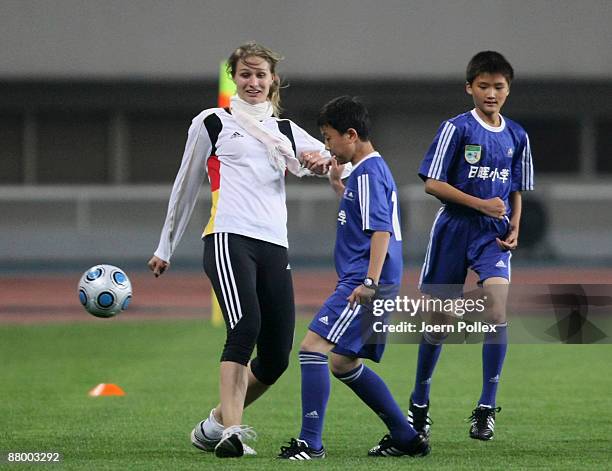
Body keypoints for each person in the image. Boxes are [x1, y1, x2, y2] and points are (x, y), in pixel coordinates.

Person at [147, 41, 333, 458]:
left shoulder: (284, 130)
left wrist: (328, 165)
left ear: (273, 80)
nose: (253, 82)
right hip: (228, 236)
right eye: (245, 74)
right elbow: (185, 185)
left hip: (273, 244)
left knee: (276, 357)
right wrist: (166, 247)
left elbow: (327, 157)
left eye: (260, 75)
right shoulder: (212, 122)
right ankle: (233, 432)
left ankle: (214, 423)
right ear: (234, 77)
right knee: (244, 326)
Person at [277, 96, 430, 460]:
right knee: (343, 362)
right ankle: (406, 437)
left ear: (350, 134)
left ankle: (310, 444)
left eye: (328, 138)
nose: (326, 146)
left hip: (363, 282)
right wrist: (337, 187)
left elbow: (380, 232)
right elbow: (366, 216)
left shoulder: (370, 173)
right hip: (370, 279)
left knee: (312, 349)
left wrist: (370, 283)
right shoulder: (365, 174)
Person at [406, 51, 534, 441]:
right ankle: (420, 404)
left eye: (498, 86)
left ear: (508, 90)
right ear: (470, 88)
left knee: (496, 307)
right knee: (438, 324)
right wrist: (479, 203)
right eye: (483, 86)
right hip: (453, 229)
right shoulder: (456, 128)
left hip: (491, 235)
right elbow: (432, 182)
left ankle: (485, 408)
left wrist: (514, 225)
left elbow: (515, 190)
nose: (491, 93)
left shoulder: (517, 135)